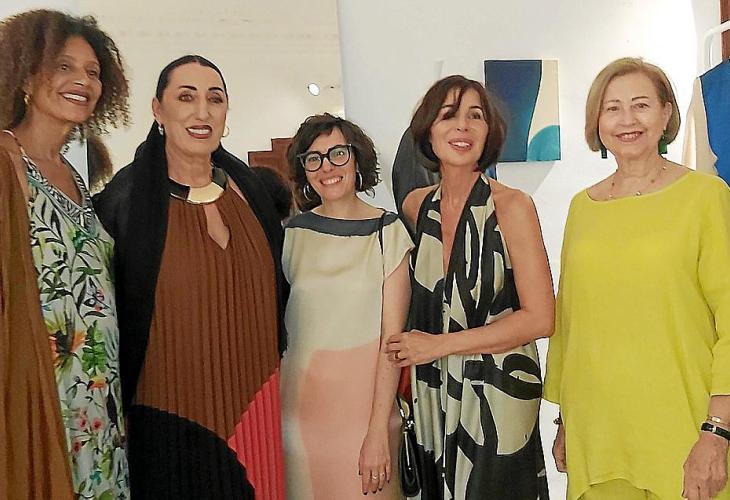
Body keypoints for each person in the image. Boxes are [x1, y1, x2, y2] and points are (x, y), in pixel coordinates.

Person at [94, 55, 287, 499]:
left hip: (257, 412)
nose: (202, 112)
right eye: (186, 97)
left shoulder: (251, 193)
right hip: (167, 418)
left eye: (214, 99)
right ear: (158, 110)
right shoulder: (124, 204)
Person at [544, 57, 730, 500]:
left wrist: (718, 430)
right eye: (612, 108)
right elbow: (569, 322)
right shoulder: (582, 207)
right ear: (597, 121)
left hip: (684, 428)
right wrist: (566, 420)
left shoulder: (706, 197)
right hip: (597, 430)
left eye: (641, 105)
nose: (627, 120)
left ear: (666, 114)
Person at [390, 75, 554, 499]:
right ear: (428, 130)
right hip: (433, 390)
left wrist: (439, 346)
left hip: (498, 393)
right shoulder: (416, 207)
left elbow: (541, 318)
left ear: (489, 131)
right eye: (448, 115)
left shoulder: (513, 206)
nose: (462, 125)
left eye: (475, 116)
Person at [0, 9, 130, 500]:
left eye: (92, 72)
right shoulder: (7, 162)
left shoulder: (75, 175)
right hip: (39, 392)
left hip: (97, 396)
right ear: (26, 76)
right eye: (63, 66)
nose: (83, 81)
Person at [281, 113, 413, 498]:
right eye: (314, 158)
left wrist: (377, 431)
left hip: (366, 419)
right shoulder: (292, 234)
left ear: (357, 159)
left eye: (337, 153)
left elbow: (393, 343)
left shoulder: (388, 232)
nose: (327, 167)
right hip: (300, 418)